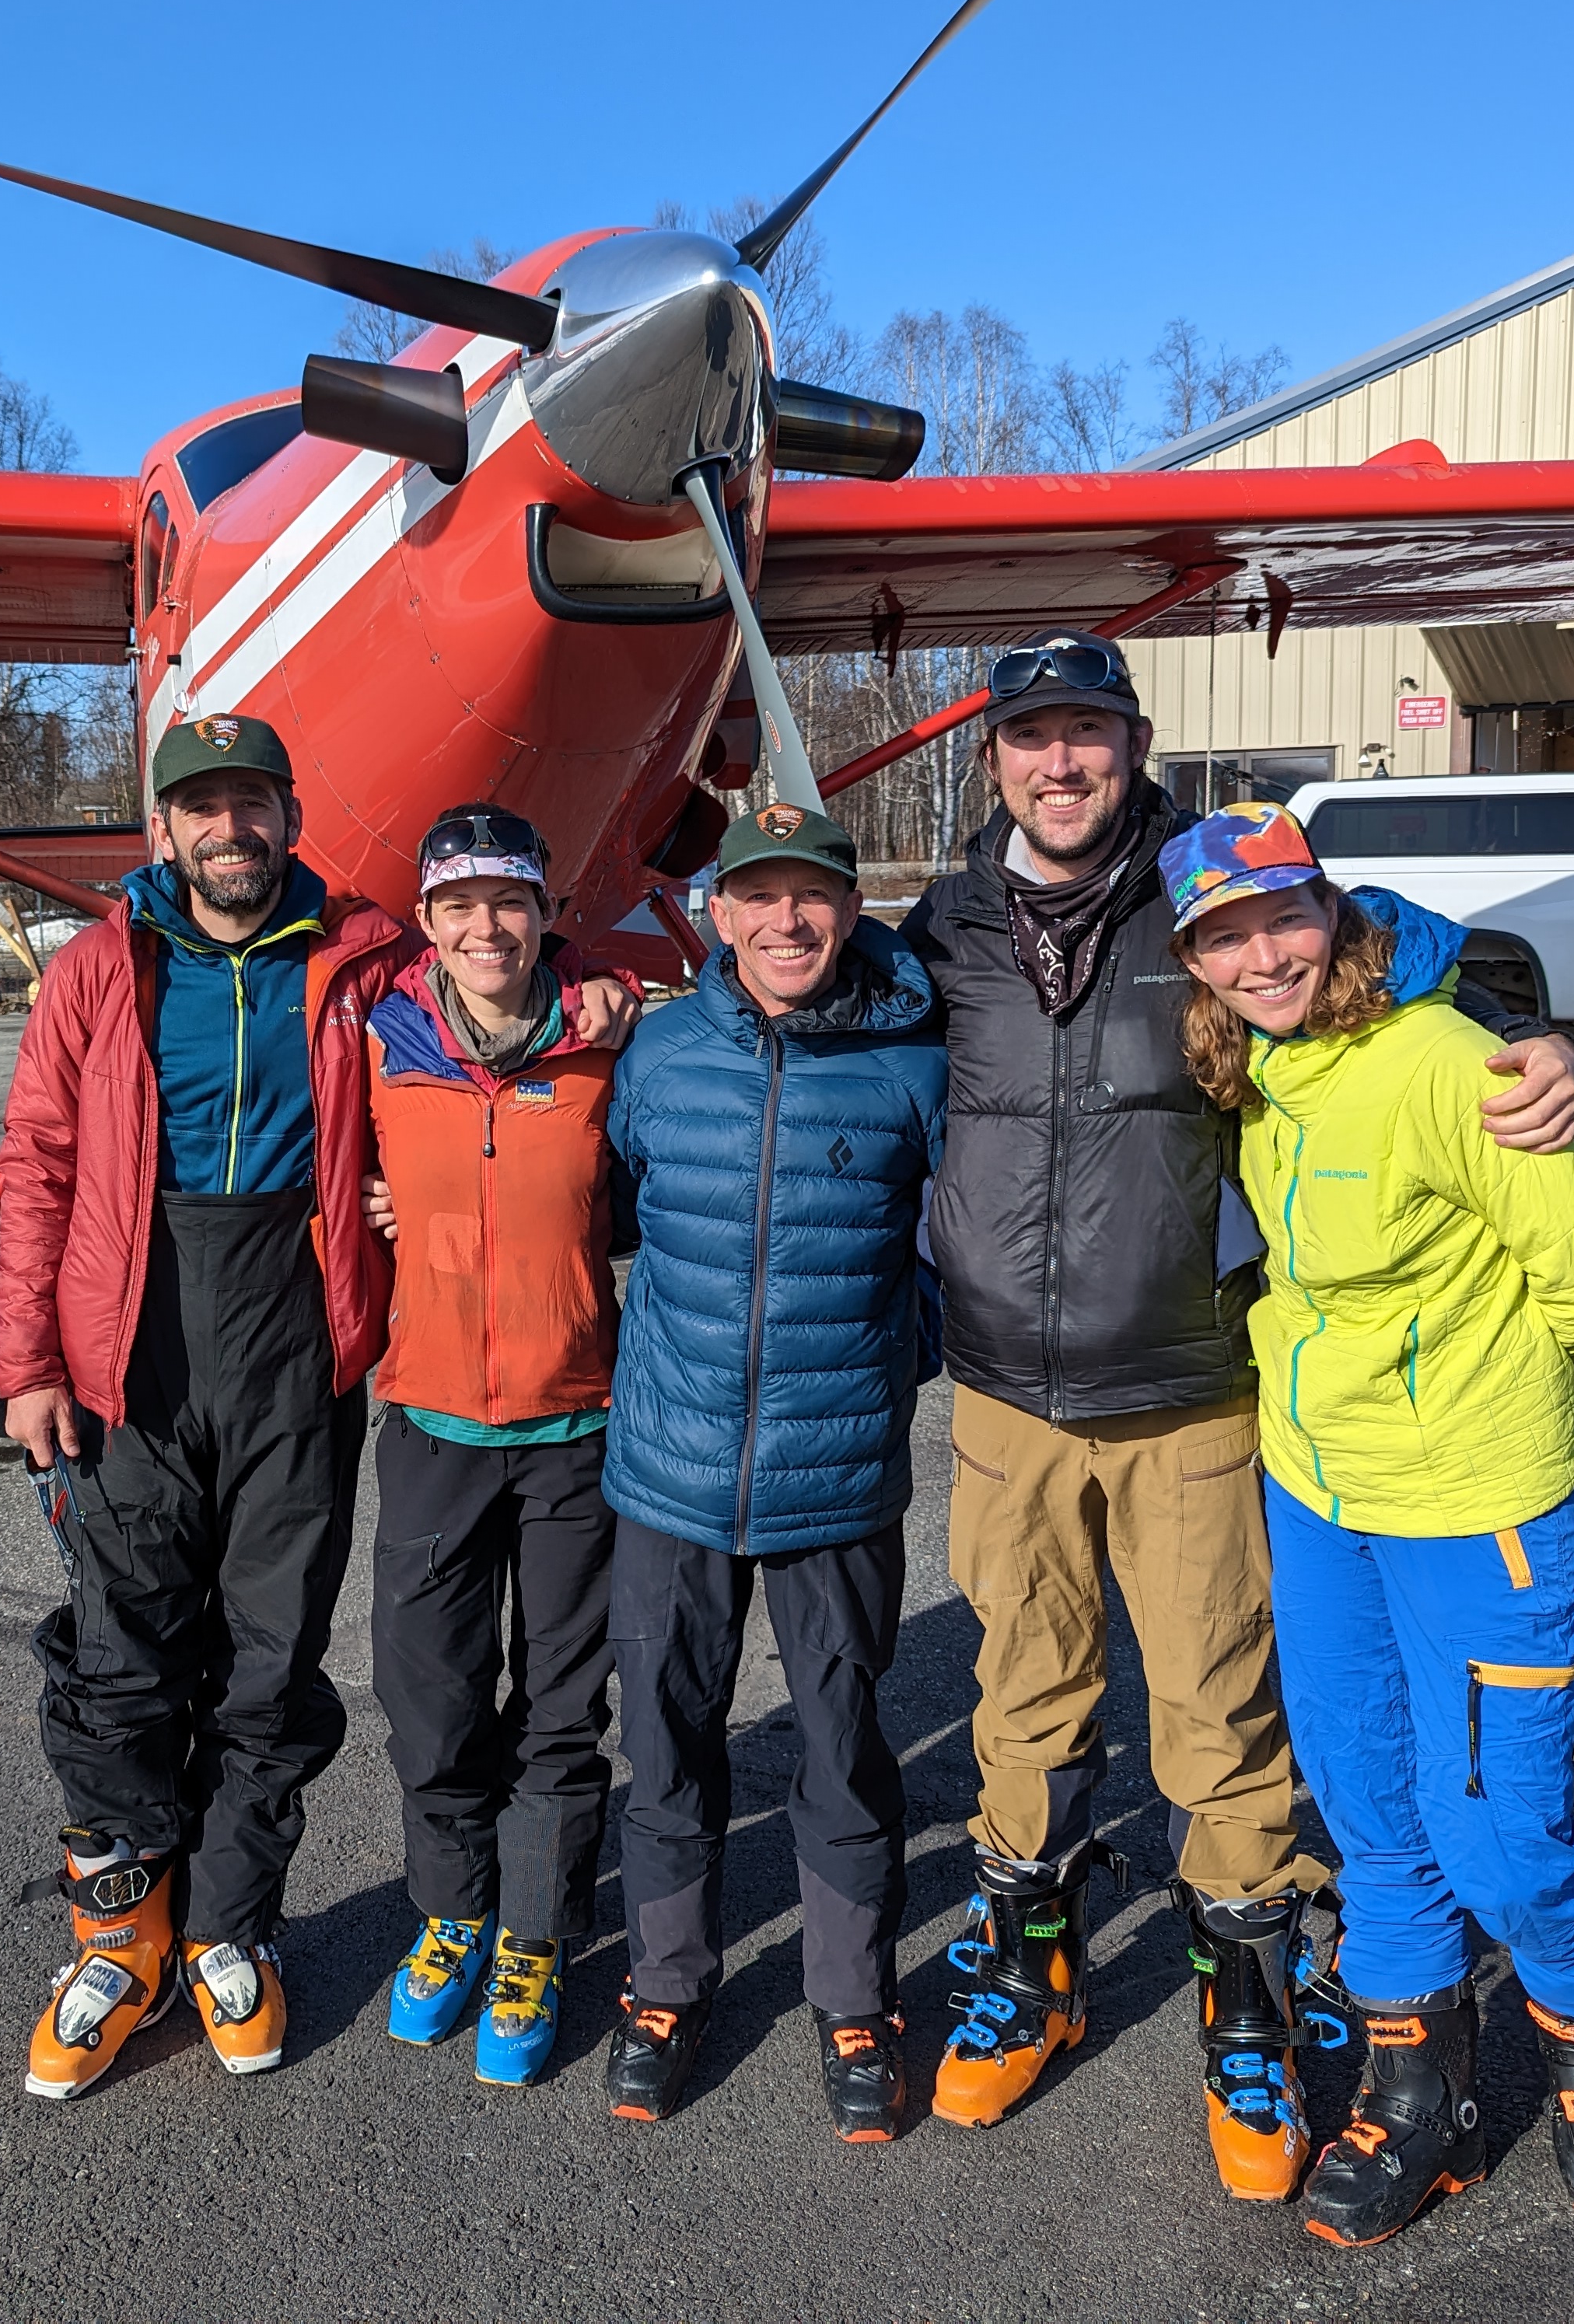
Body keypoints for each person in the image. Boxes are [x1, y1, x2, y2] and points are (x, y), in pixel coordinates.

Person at [899, 627, 1574, 2197]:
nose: (1058, 762)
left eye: (1087, 732)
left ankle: (1251, 2009)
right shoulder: (944, 925)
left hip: (1195, 1392)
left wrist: (1537, 1043)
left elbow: (1409, 952)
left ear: (1133, 742)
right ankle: (1031, 1975)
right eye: (1030, 738)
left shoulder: (1214, 897)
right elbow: (779, 994)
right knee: (1025, 1695)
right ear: (993, 756)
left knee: (1220, 1717)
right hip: (1006, 1396)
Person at [0, 718, 635, 2102]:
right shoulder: (103, 967)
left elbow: (501, 962)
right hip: (136, 1341)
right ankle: (117, 1943)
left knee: (270, 1658)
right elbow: (38, 1158)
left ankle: (230, 1925)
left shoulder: (360, 960)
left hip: (298, 1333)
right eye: (200, 808)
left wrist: (595, 990)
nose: (228, 830)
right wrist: (29, 1360)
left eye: (250, 804)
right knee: (121, 1653)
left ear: (289, 813)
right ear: (162, 828)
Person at [1165, 802, 1574, 2247]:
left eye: (1281, 919)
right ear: (1195, 960)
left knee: (1499, 1832)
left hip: (1472, 1509)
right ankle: (1418, 2092)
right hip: (1319, 1498)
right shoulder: (1257, 1065)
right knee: (1371, 1805)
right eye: (1223, 937)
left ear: (1334, 912)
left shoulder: (1450, 1062)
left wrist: (1472, 1392)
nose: (1261, 958)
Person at [594, 801, 946, 2142]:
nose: (789, 921)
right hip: (670, 1475)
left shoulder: (915, 1058)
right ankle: (667, 1981)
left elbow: (957, 1231)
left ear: (850, 910)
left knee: (846, 1748)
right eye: (762, 896)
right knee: (669, 1742)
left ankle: (854, 2001)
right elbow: (610, 1204)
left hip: (837, 1475)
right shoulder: (663, 1054)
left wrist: (887, 1357)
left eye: (815, 896)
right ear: (721, 915)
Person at [359, 803, 631, 2088]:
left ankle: (536, 1932)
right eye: (459, 904)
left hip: (576, 1423)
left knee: (563, 1704)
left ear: (543, 917)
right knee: (432, 1693)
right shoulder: (380, 1042)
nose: (486, 927)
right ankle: (453, 1908)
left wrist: (622, 995)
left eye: (509, 902)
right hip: (429, 1421)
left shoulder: (599, 1044)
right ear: (429, 922)